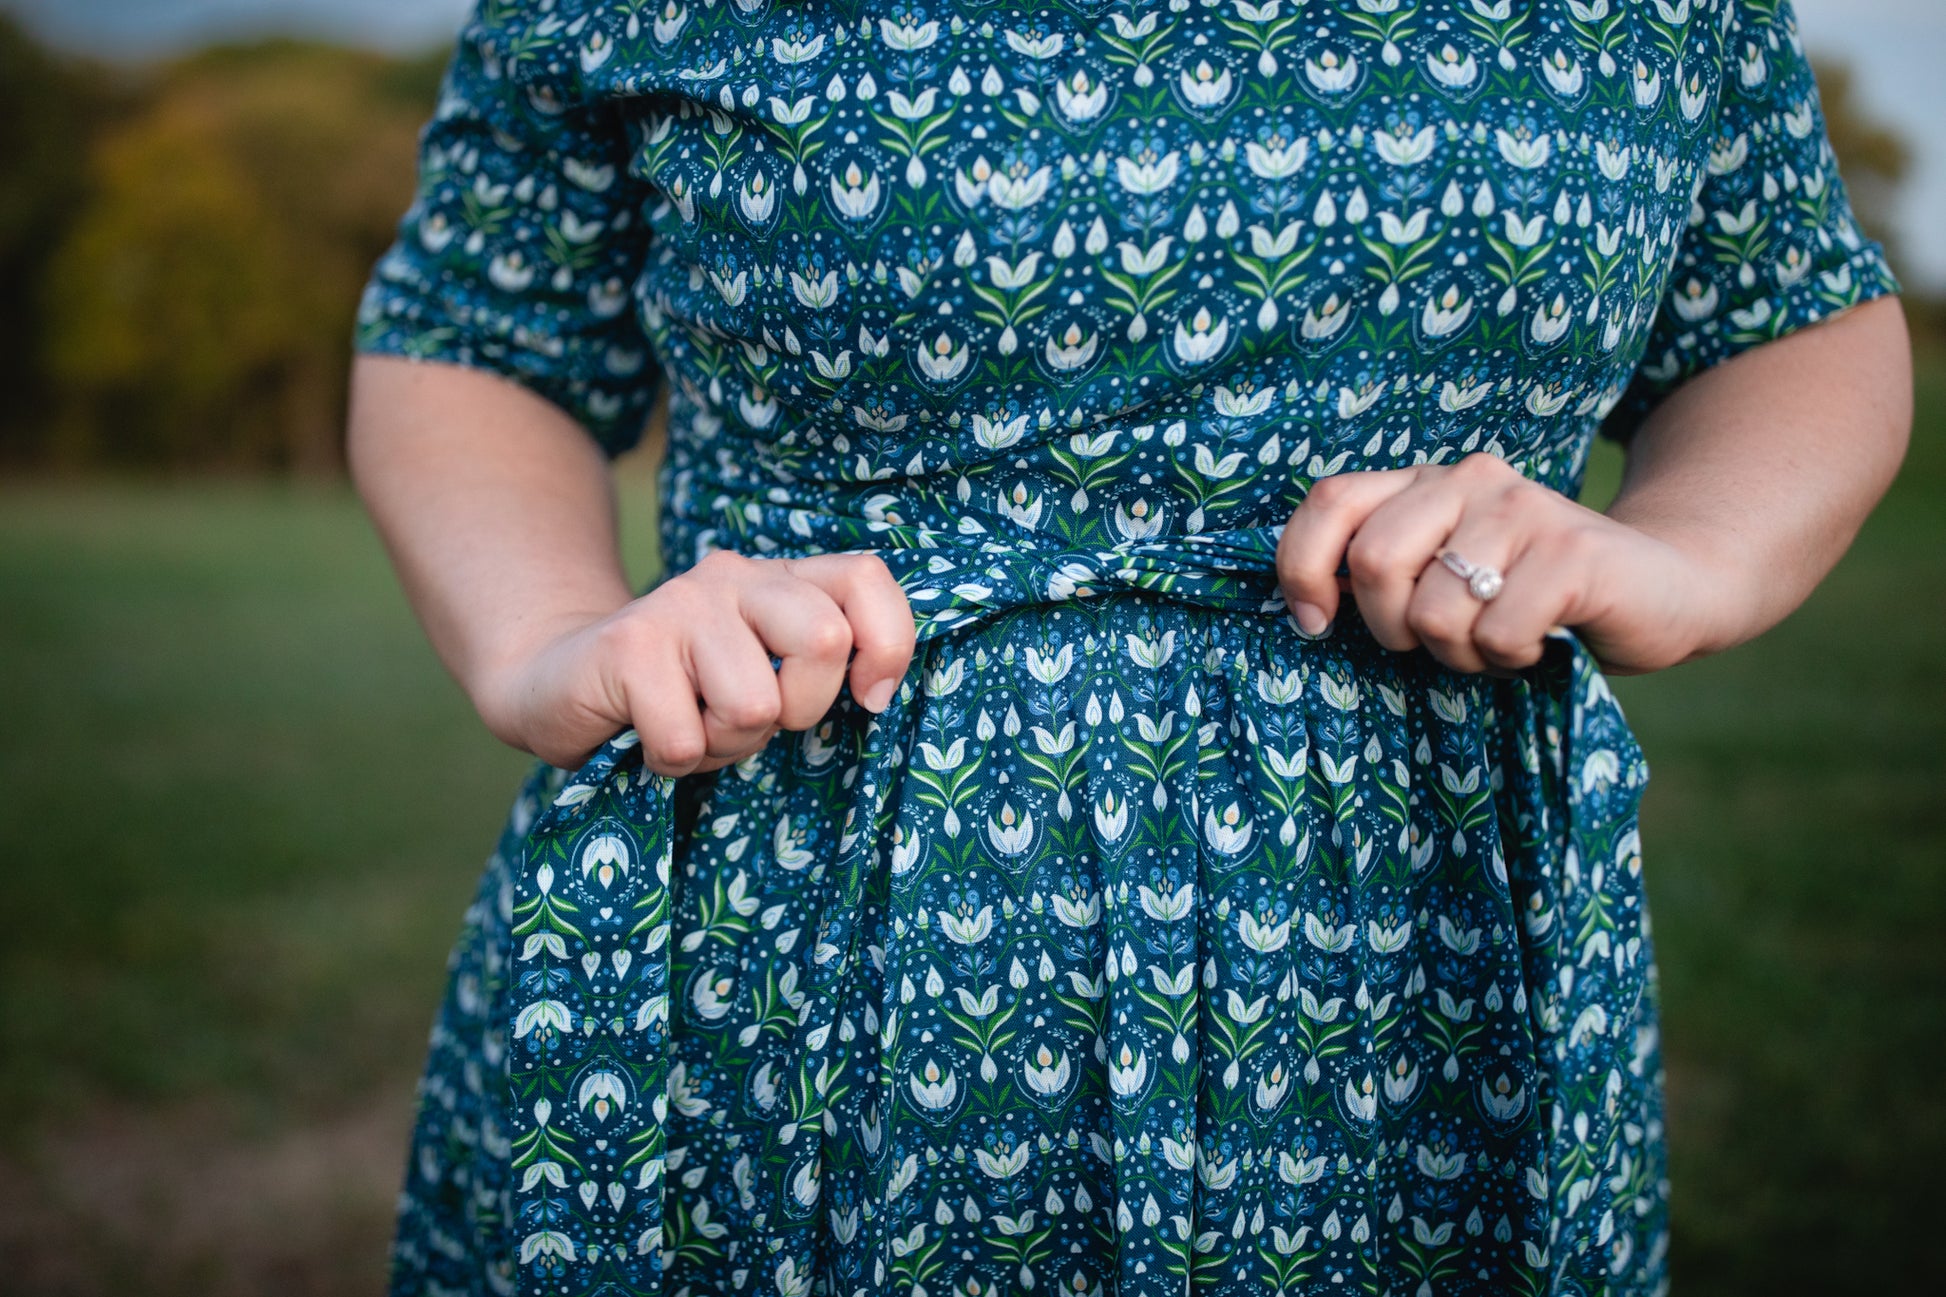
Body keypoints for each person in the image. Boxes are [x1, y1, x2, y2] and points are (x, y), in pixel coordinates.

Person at [346, 1, 1911, 1293]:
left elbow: (1791, 317)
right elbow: (475, 332)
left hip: (1427, 973)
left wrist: (1689, 551)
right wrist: (548, 629)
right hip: (786, 939)